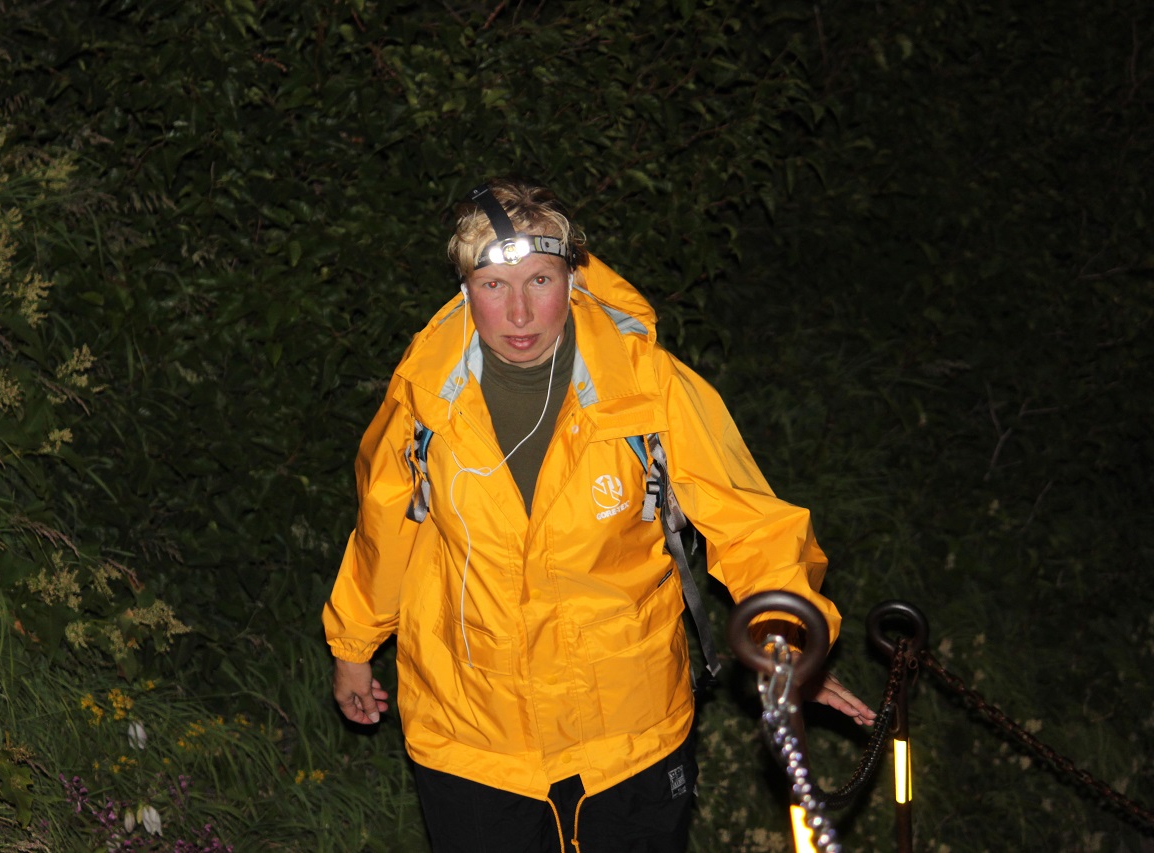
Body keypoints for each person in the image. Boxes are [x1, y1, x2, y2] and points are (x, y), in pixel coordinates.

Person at [323, 178, 873, 852]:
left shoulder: (646, 385)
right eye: (494, 284)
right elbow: (384, 526)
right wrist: (352, 648)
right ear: (465, 289)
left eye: (540, 280)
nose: (520, 312)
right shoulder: (425, 393)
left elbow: (752, 524)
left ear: (571, 277)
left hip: (629, 731)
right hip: (472, 735)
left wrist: (786, 641)